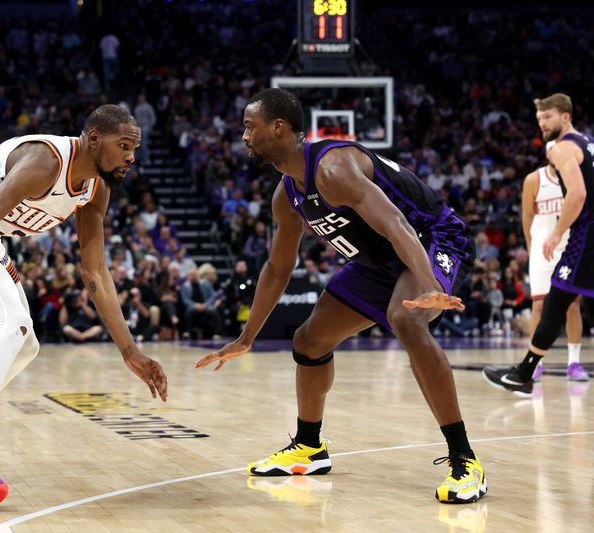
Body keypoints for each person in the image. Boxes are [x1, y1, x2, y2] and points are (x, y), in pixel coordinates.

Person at [195, 89, 485, 503]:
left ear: (278, 128)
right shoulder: (286, 194)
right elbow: (278, 268)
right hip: (378, 260)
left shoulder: (333, 168)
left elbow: (396, 222)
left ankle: (464, 458)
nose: (242, 135)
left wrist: (428, 283)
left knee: (406, 320)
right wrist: (246, 337)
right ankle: (309, 447)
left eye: (248, 126)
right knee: (309, 341)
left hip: (432, 239)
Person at [0, 105, 168, 508]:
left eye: (135, 148)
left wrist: (130, 351)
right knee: (11, 325)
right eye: (124, 145)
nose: (131, 156)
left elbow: (95, 273)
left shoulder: (96, 189)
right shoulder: (45, 161)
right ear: (94, 140)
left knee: (26, 345)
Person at [485, 93, 594, 393]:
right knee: (558, 305)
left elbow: (578, 194)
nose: (542, 124)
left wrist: (557, 232)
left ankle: (524, 374)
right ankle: (524, 372)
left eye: (548, 117)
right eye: (539, 119)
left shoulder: (562, 149)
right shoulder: (589, 143)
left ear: (566, 116)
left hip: (583, 239)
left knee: (556, 303)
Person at [518, 141, 588, 381]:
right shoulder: (534, 180)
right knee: (538, 306)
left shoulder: (576, 177)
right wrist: (531, 246)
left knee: (572, 306)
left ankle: (574, 362)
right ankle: (536, 363)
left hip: (569, 248)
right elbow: (526, 215)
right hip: (541, 249)